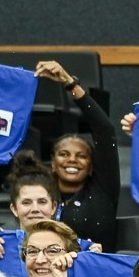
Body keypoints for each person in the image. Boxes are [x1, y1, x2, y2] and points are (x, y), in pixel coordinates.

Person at [38, 60, 118, 242]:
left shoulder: (103, 191)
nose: (72, 160)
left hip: (92, 260)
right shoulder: (39, 197)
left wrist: (70, 84)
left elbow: (105, 131)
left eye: (82, 156)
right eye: (64, 154)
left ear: (91, 166)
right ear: (53, 163)